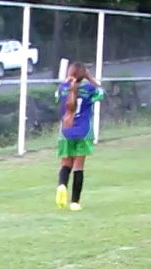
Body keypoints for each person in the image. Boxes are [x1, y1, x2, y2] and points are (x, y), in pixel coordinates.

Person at [54, 62, 103, 211]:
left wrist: (66, 82)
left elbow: (57, 97)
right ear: (84, 75)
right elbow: (101, 92)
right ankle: (75, 202)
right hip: (83, 132)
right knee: (78, 167)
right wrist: (90, 78)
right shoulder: (89, 89)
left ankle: (62, 185)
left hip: (66, 132)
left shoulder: (63, 89)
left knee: (65, 164)